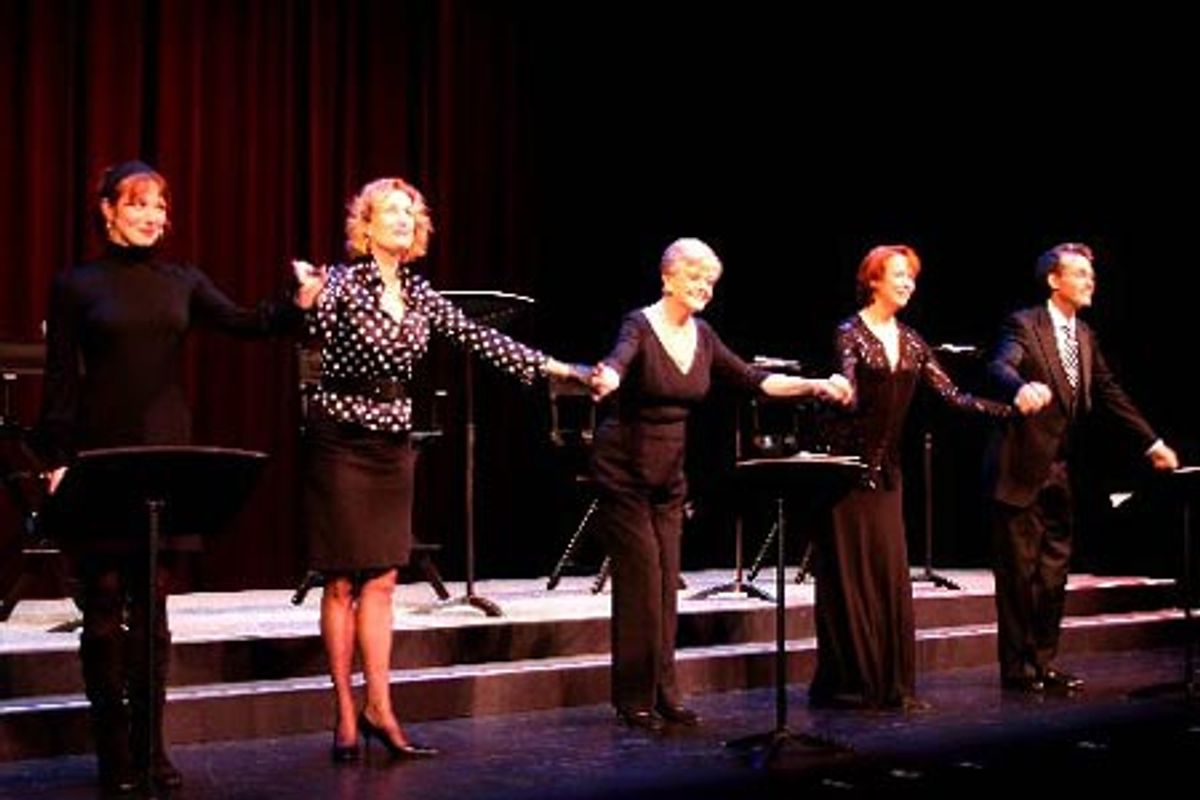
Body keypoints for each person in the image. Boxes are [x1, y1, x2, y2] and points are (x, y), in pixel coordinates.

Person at [35, 160, 318, 796]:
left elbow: (248, 322)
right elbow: (59, 381)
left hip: (164, 454)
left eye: (160, 206)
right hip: (99, 457)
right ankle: (114, 757)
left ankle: (152, 751)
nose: (152, 217)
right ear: (108, 210)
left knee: (153, 611)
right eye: (138, 205)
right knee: (103, 612)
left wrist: (296, 302)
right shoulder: (77, 284)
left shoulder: (181, 280)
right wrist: (55, 459)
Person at [294, 176, 578, 762]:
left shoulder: (420, 293)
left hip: (392, 443)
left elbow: (480, 339)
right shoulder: (342, 282)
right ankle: (345, 715)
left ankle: (381, 707)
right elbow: (311, 337)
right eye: (390, 210)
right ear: (365, 226)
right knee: (341, 578)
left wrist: (561, 370)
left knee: (383, 578)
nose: (403, 218)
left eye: (411, 211)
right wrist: (307, 304)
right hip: (341, 437)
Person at [588, 237, 851, 732]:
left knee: (667, 584)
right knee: (642, 582)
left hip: (669, 472)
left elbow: (754, 379)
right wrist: (609, 378)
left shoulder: (703, 336)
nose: (703, 288)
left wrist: (815, 384)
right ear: (668, 278)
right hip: (623, 468)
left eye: (710, 281)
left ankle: (665, 691)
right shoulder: (639, 324)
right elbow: (619, 360)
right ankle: (633, 697)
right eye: (694, 277)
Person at [811, 244, 1015, 712]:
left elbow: (952, 396)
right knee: (850, 580)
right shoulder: (849, 333)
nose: (907, 283)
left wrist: (1007, 411)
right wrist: (841, 392)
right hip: (845, 475)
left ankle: (891, 685)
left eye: (911, 277)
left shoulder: (912, 340)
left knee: (887, 578)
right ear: (874, 280)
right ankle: (851, 684)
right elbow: (844, 385)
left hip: (886, 477)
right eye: (898, 274)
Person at [982, 242, 1178, 693]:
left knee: (1053, 574)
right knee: (1018, 575)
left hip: (1062, 471)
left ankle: (1043, 663)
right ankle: (1018, 671)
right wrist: (1019, 388)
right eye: (1081, 273)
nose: (1091, 281)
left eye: (1092, 274)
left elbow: (1109, 393)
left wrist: (1153, 442)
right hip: (1019, 467)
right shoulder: (1024, 324)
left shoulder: (1085, 336)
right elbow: (999, 365)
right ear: (1054, 280)